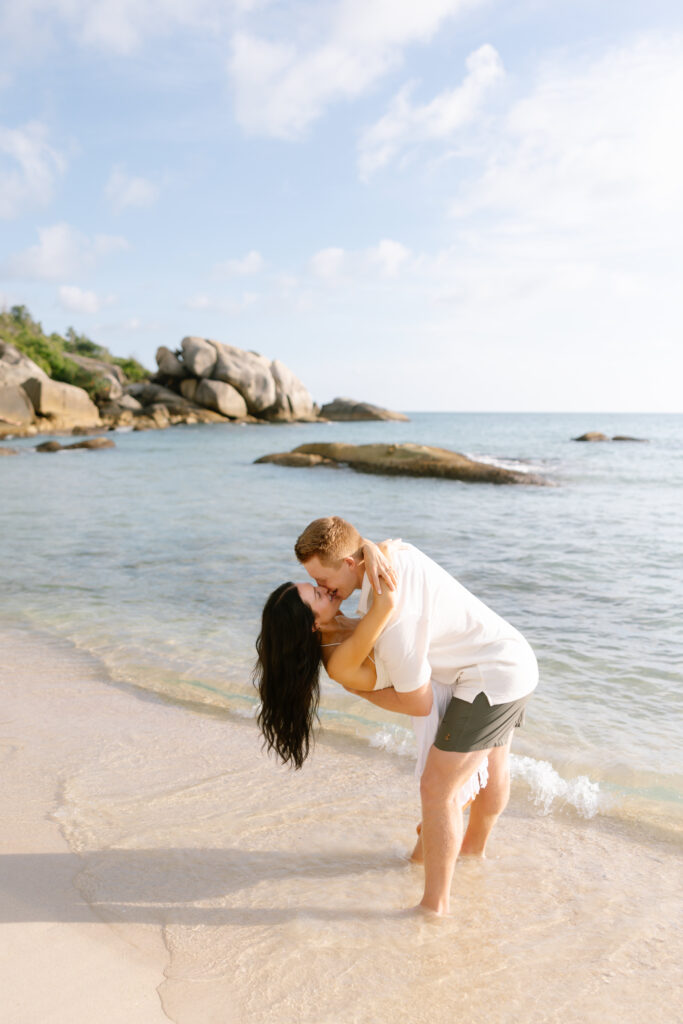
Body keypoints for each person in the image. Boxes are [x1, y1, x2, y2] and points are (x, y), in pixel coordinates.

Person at [294, 517, 538, 916]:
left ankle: (434, 906)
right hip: (508, 656)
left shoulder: (392, 617)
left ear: (352, 564)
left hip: (490, 678)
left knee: (437, 788)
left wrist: (361, 692)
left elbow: (419, 702)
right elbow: (363, 547)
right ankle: (472, 854)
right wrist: (371, 546)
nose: (323, 588)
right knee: (493, 761)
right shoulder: (391, 557)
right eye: (314, 583)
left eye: (323, 579)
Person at [254, 563, 488, 831]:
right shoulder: (337, 662)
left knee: (472, 789)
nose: (323, 589)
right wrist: (372, 550)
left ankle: (445, 850)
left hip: (445, 679)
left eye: (316, 587)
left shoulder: (340, 621)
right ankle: (419, 861)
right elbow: (386, 602)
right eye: (317, 595)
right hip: (438, 700)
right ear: (313, 625)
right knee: (449, 805)